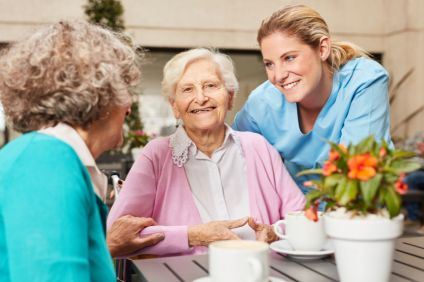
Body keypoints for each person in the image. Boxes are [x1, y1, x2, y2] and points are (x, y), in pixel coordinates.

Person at [0, 21, 163, 281]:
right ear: (101, 95)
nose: (128, 106)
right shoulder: (45, 163)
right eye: (125, 90)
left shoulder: (50, 157)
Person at [107, 48, 306, 257]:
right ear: (174, 106)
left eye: (210, 86)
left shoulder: (258, 146)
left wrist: (274, 232)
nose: (201, 98)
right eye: (187, 89)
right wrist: (194, 235)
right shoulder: (156, 155)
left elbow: (301, 217)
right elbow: (118, 236)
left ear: (230, 97)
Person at [233, 4, 392, 192]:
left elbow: (355, 173)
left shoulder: (364, 80)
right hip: (294, 215)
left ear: (322, 49)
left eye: (289, 58)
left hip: (358, 212)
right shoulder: (261, 103)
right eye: (269, 64)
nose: (278, 75)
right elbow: (231, 157)